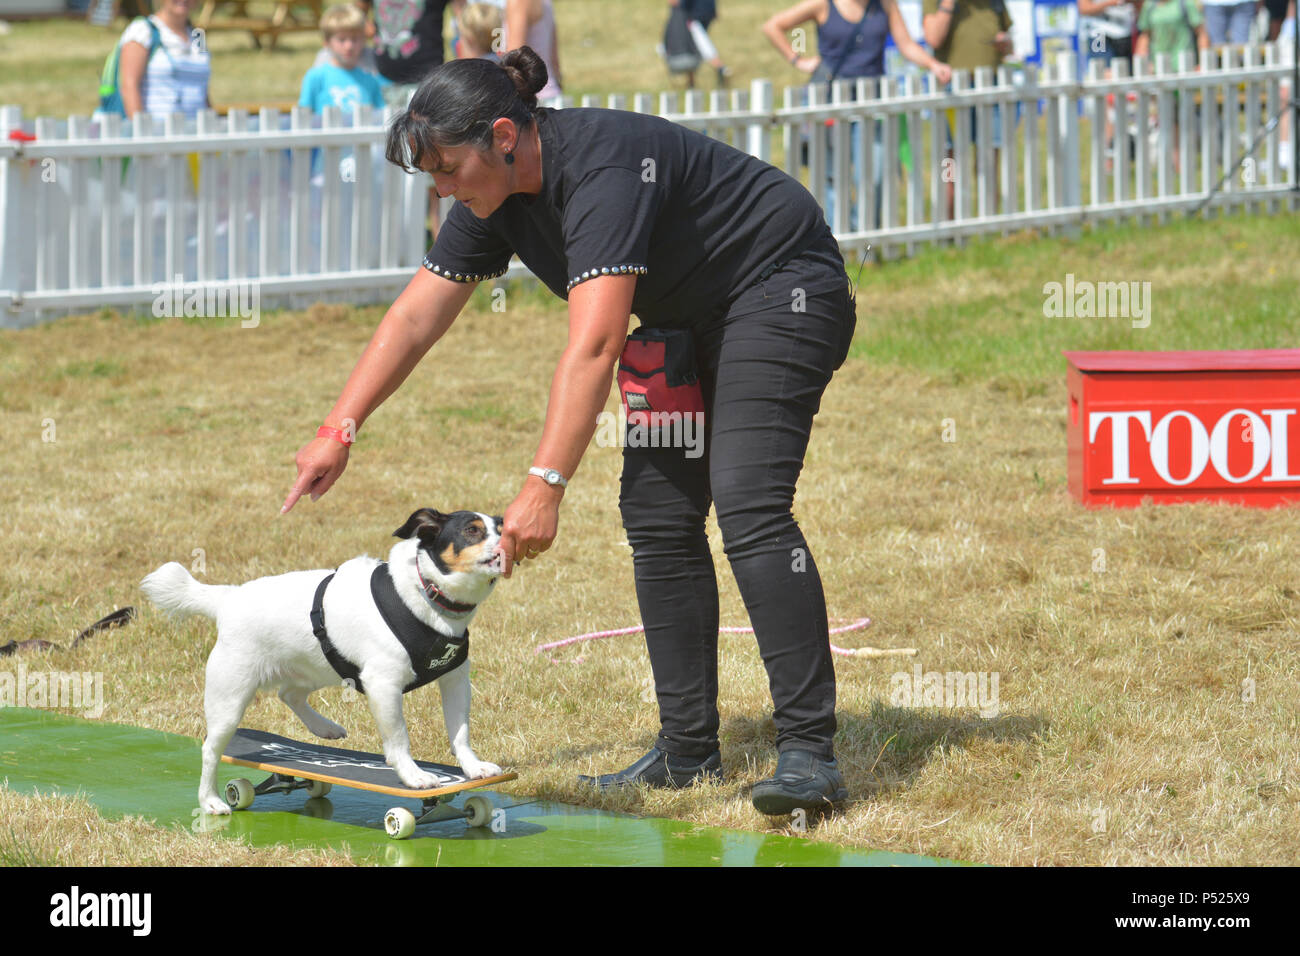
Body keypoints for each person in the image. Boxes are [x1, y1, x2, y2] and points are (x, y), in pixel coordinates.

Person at [280, 48, 859, 814]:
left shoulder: (604, 171)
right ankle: (687, 752)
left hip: (782, 290)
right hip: (685, 322)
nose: (443, 188)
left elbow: (594, 344)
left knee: (749, 503)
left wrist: (544, 485)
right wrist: (338, 428)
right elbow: (416, 316)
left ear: (503, 136)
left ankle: (810, 755)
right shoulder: (494, 199)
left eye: (448, 167)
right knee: (658, 515)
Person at [762, 0, 952, 230]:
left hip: (871, 104)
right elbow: (773, 26)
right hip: (831, 104)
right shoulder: (823, 4)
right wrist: (799, 61)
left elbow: (906, 44)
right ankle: (840, 239)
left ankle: (864, 235)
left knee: (876, 175)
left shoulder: (885, 4)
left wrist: (932, 65)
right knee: (833, 177)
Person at [922, 0, 1015, 218]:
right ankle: (950, 223)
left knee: (989, 157)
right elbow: (933, 38)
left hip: (990, 85)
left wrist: (1005, 44)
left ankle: (989, 220)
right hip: (952, 89)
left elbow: (1009, 42)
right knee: (950, 160)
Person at [1136, 0, 1209, 171]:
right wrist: (1142, 61)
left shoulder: (1185, 4)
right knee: (1167, 117)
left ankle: (1185, 162)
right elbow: (1145, 35)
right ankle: (1176, 163)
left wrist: (1203, 63)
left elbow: (1201, 32)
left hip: (1183, 68)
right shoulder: (1150, 6)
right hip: (1159, 69)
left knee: (1184, 117)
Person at [115, 0, 211, 120]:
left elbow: (202, 88)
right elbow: (129, 87)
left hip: (197, 130)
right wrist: (142, 131)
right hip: (157, 131)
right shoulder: (142, 30)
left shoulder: (198, 36)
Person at [300, 4, 387, 117]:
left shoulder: (370, 80)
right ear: (326, 42)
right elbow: (302, 116)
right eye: (342, 39)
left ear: (364, 40)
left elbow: (381, 116)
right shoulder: (315, 77)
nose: (349, 46)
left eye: (355, 39)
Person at [503, 0, 562, 100]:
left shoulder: (519, 2)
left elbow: (514, 59)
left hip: (532, 99)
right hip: (551, 92)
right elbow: (555, 60)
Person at [670, 0, 731, 88]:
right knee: (697, 45)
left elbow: (679, 3)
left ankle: (720, 67)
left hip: (694, 16)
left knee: (700, 44)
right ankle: (691, 81)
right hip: (705, 13)